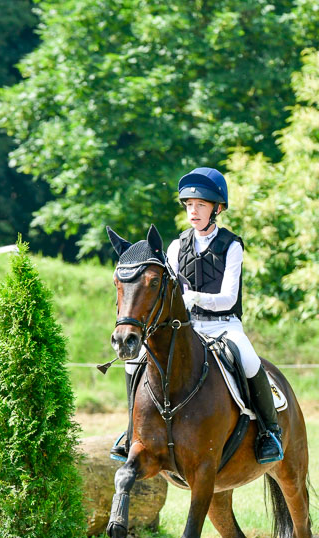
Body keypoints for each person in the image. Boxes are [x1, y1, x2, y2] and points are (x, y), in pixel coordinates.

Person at [111, 166, 283, 465]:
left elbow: (228, 297)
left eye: (201, 205)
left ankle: (269, 432)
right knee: (134, 363)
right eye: (189, 205)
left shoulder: (232, 246)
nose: (194, 211)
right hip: (186, 327)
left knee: (249, 358)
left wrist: (193, 297)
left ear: (216, 209)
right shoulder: (177, 246)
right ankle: (131, 432)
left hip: (223, 326)